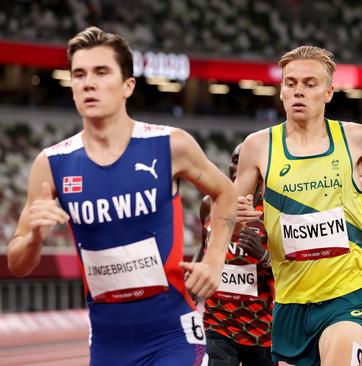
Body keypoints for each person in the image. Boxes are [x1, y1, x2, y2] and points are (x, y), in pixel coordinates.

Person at [7, 27, 236, 364]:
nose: (88, 83)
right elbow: (18, 264)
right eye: (79, 74)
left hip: (172, 334)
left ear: (128, 85)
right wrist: (35, 239)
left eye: (101, 72)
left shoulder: (171, 145)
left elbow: (225, 192)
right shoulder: (51, 163)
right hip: (107, 342)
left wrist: (215, 260)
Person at [234, 46, 362, 366]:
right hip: (291, 298)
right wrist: (234, 221)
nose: (298, 92)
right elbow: (230, 218)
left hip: (347, 292)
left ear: (329, 92)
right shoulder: (258, 146)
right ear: (281, 91)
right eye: (290, 83)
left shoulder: (356, 138)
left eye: (309, 84)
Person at [202, 144, 276, 366]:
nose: (239, 166)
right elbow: (202, 254)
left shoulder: (274, 210)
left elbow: (291, 272)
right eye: (235, 160)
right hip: (218, 323)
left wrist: (262, 254)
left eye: (246, 161)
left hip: (262, 329)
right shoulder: (210, 204)